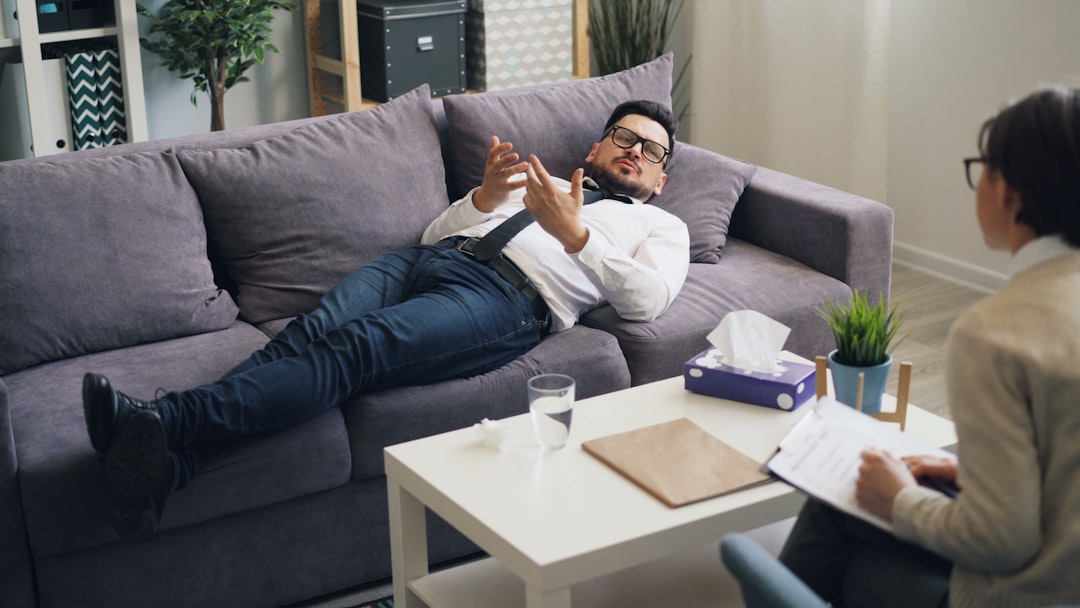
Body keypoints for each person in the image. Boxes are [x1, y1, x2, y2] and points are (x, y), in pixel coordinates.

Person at [82, 100, 691, 541]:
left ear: (660, 179)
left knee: (355, 348)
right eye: (623, 136)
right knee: (305, 336)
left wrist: (576, 235)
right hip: (422, 262)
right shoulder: (543, 181)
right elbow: (434, 234)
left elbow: (648, 299)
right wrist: (481, 199)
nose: (633, 150)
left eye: (650, 149)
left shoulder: (660, 227)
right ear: (597, 147)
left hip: (504, 301)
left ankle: (164, 419)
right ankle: (171, 466)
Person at [778, 86, 1080, 607]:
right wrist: (970, 475)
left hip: (1025, 590)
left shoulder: (996, 332)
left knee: (850, 522)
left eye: (981, 168)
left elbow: (1002, 542)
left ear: (1007, 190)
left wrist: (901, 498)